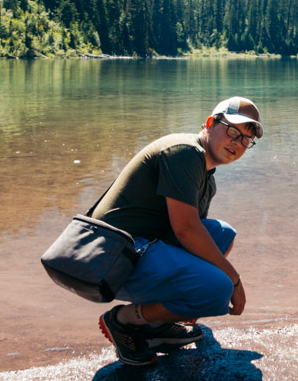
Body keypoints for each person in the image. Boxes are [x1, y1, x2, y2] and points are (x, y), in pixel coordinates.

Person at [91, 96, 262, 366]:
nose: (237, 143)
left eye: (245, 139)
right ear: (209, 124)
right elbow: (186, 231)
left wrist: (189, 299)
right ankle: (123, 320)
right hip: (109, 259)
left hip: (137, 248)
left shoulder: (206, 175)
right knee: (217, 288)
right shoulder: (184, 152)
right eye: (232, 131)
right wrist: (233, 280)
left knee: (222, 234)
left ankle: (155, 324)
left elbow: (194, 238)